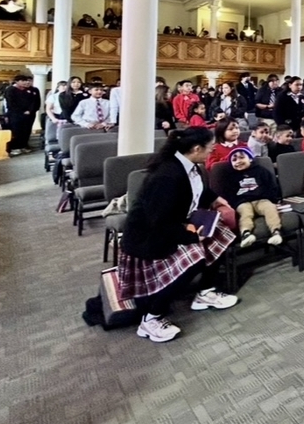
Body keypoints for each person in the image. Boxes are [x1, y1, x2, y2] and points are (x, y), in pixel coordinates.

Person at [117, 128, 239, 343]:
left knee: (221, 235)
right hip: (148, 237)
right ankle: (151, 319)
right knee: (194, 258)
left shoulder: (190, 166)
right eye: (210, 147)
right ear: (196, 149)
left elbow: (198, 190)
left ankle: (205, 292)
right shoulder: (167, 175)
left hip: (174, 225)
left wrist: (216, 199)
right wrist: (191, 237)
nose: (213, 150)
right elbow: (158, 221)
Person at [219, 147, 283, 249]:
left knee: (270, 208)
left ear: (250, 159)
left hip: (262, 199)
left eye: (241, 157)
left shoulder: (261, 171)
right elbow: (228, 193)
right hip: (242, 201)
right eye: (234, 160)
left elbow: (271, 185)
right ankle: (246, 233)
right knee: (245, 213)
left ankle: (276, 232)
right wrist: (234, 204)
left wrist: (273, 199)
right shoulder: (230, 176)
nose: (238, 161)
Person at [4, 74, 41, 155]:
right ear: (17, 81)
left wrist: (30, 110)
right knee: (16, 131)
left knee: (26, 130)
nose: (25, 82)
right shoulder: (10, 90)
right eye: (23, 81)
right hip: (15, 114)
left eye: (26, 81)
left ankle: (23, 146)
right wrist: (21, 111)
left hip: (28, 114)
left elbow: (33, 102)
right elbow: (11, 103)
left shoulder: (27, 90)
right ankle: (14, 147)